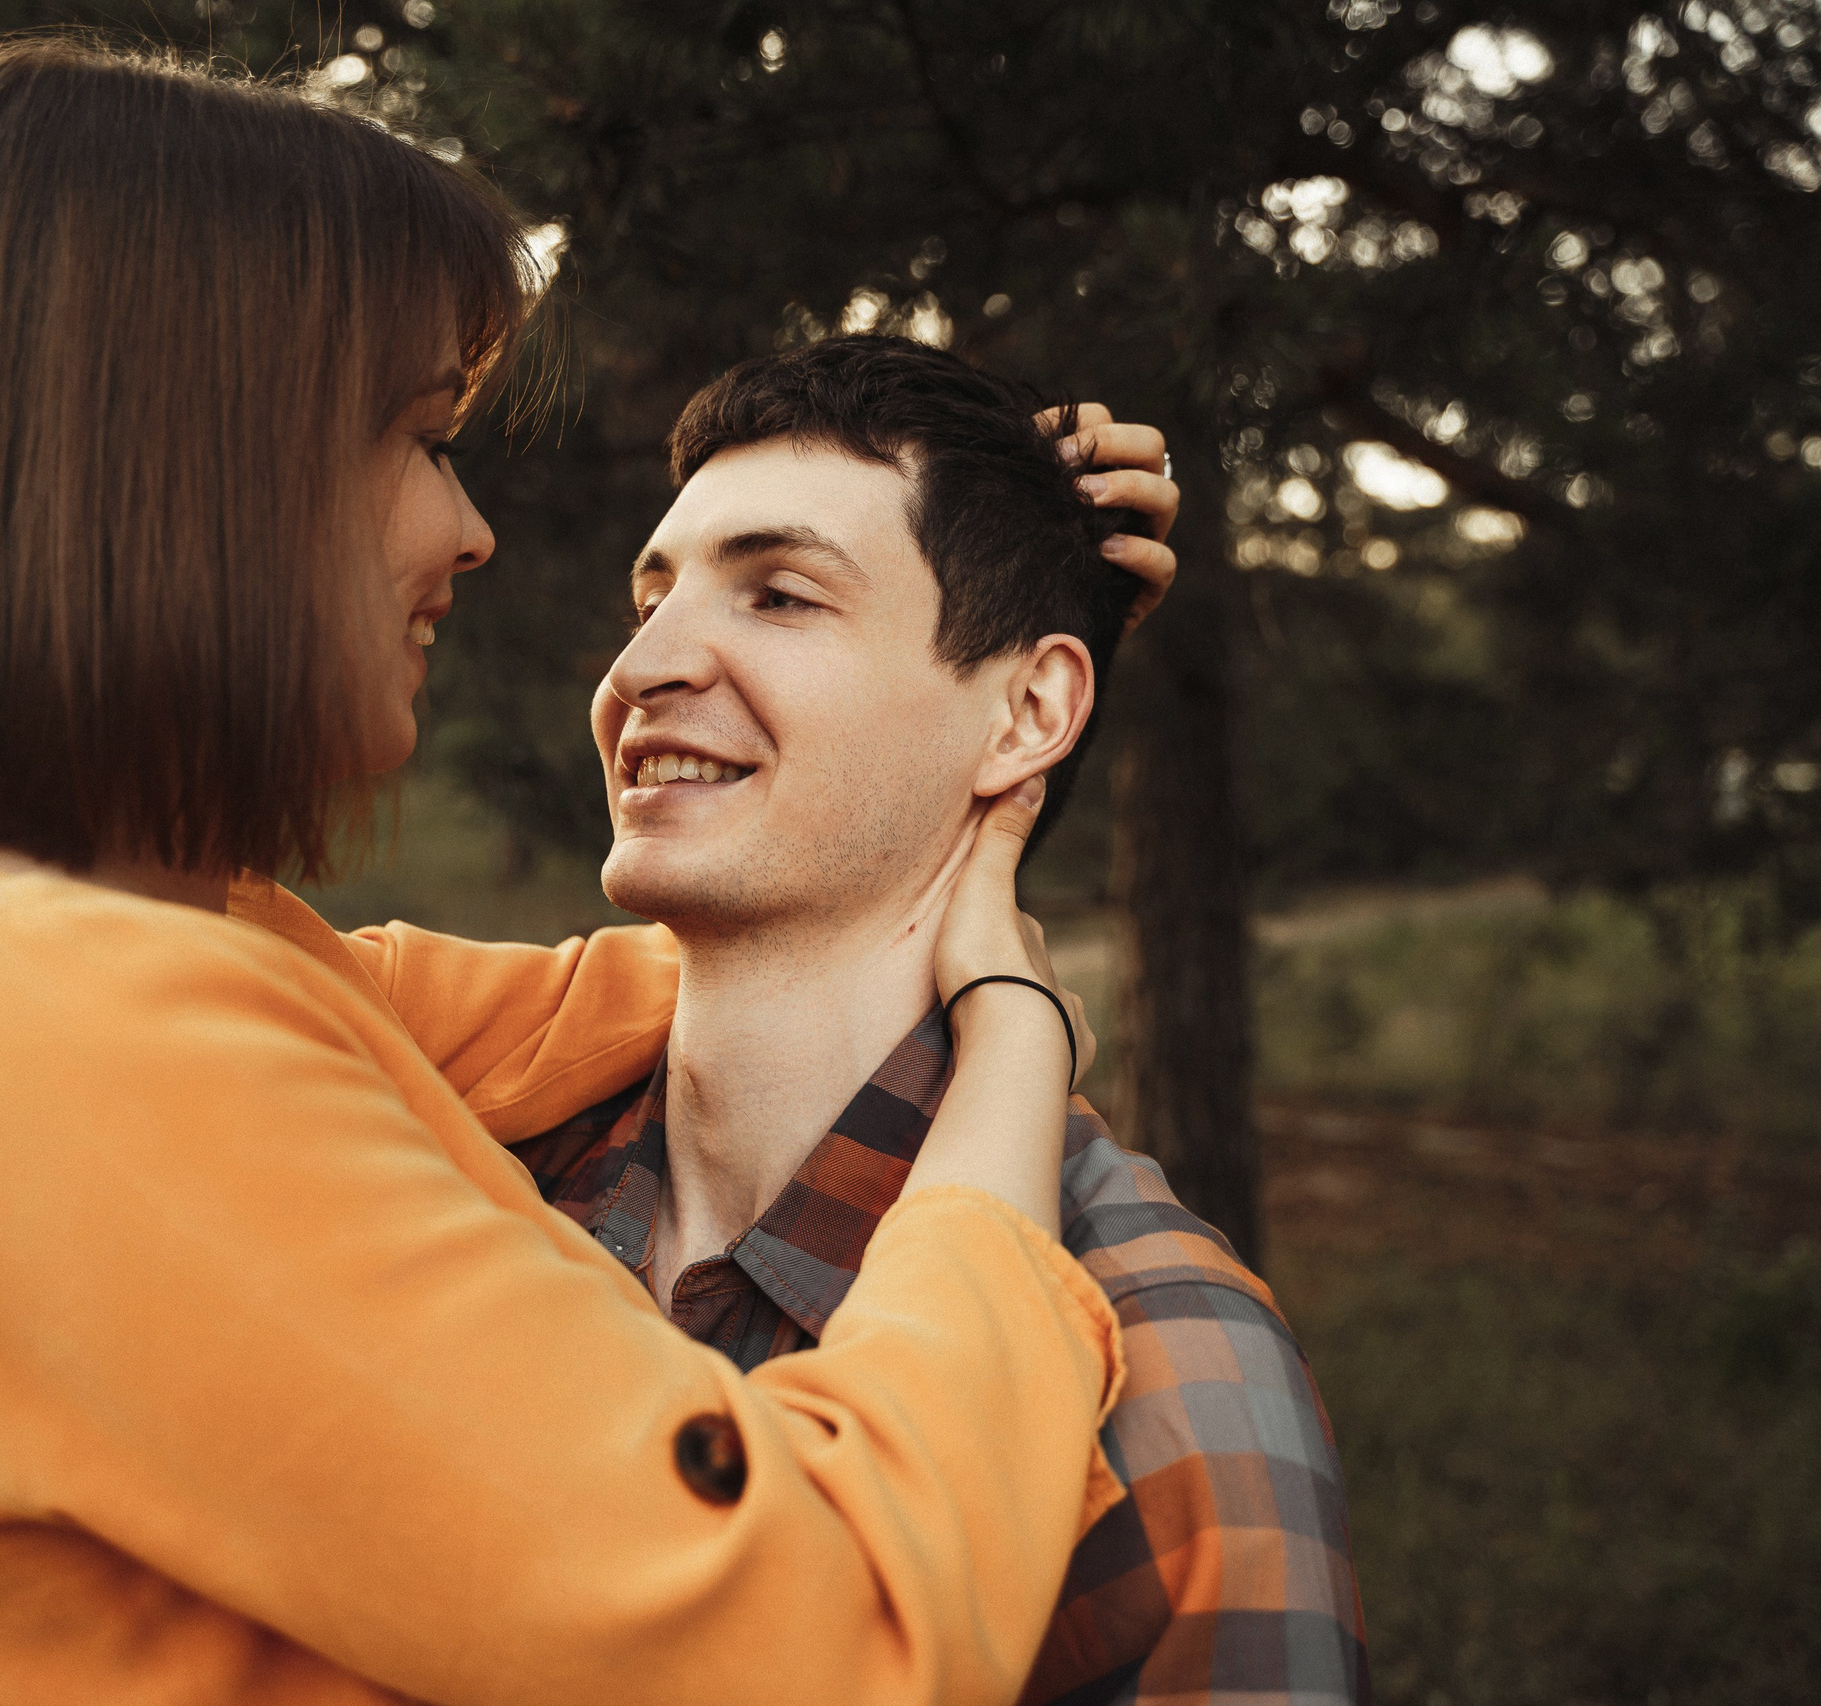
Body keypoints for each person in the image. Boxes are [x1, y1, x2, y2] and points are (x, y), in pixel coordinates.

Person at [0, 38, 1188, 1706]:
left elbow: (594, 999)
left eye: (780, 592)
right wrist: (1012, 1022)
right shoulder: (51, 1031)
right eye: (424, 436)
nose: (470, 529)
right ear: (203, 462)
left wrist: (954, 725)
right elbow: (831, 1626)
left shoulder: (14, 944)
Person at [508, 335, 1367, 1704]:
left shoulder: (1164, 1382)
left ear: (1031, 708)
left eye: (779, 594)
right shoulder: (472, 1181)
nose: (643, 665)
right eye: (652, 594)